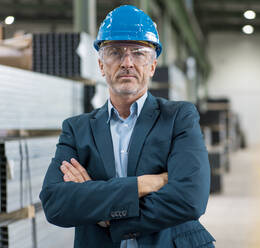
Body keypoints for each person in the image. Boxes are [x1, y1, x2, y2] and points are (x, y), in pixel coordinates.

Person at [39, 5, 215, 248]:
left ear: (152, 66)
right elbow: (55, 203)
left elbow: (190, 199)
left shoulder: (178, 118)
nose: (127, 62)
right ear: (101, 65)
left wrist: (108, 215)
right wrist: (145, 184)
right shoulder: (77, 130)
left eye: (139, 53)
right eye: (114, 52)